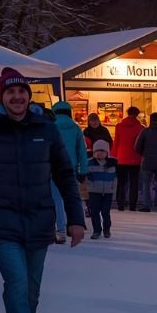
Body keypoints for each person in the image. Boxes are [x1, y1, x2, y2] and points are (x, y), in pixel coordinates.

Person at [0, 67, 85, 313]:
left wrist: (76, 219)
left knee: (31, 291)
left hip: (39, 220)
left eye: (21, 92)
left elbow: (65, 174)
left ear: (29, 97)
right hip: (3, 222)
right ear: (1, 97)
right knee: (17, 284)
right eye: (11, 92)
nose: (17, 97)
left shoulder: (47, 129)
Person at [50, 101, 89, 244]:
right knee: (71, 198)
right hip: (70, 168)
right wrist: (83, 170)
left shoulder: (51, 127)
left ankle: (60, 230)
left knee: (56, 200)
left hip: (52, 167)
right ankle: (73, 225)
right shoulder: (76, 128)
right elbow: (81, 151)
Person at [112, 106, 144, 211]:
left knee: (121, 182)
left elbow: (116, 143)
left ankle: (120, 204)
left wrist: (113, 156)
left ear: (127, 113)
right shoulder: (141, 128)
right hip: (135, 158)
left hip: (121, 158)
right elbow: (141, 145)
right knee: (134, 183)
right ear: (137, 114)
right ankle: (132, 205)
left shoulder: (119, 126)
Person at [85, 140, 117, 239]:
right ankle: (96, 231)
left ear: (107, 152)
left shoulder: (112, 163)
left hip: (108, 192)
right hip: (94, 191)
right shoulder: (89, 163)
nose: (100, 153)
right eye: (97, 151)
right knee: (94, 212)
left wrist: (113, 189)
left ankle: (107, 229)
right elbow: (83, 174)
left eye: (102, 151)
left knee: (105, 212)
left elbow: (115, 178)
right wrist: (87, 179)